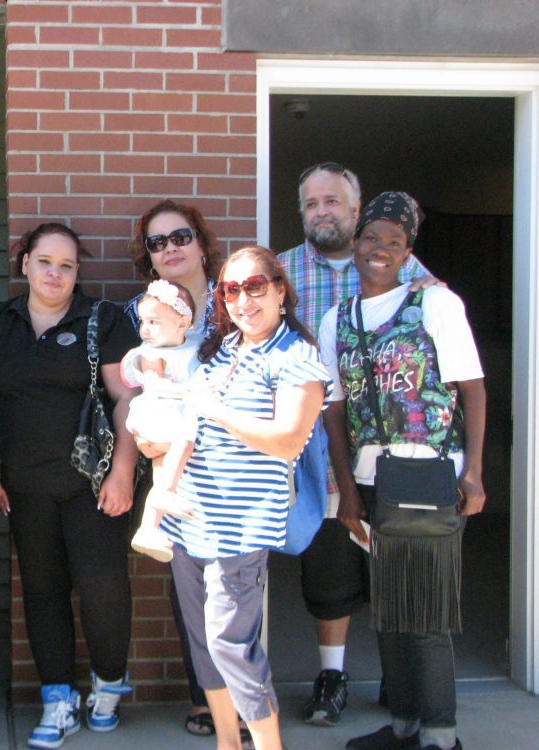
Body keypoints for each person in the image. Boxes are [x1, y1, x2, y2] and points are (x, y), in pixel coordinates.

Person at [0, 223, 139, 749]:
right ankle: (57, 697)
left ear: (77, 271)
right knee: (42, 591)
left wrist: (124, 470)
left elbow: (127, 399)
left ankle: (108, 684)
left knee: (104, 587)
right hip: (24, 484)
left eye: (66, 264)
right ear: (25, 264)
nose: (55, 273)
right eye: (44, 262)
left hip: (94, 482)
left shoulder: (103, 320)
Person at [319, 192, 485, 750]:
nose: (380, 248)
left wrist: (475, 474)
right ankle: (405, 726)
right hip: (370, 480)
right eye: (372, 237)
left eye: (394, 240)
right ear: (356, 242)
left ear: (408, 252)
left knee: (426, 613)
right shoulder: (336, 319)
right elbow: (335, 410)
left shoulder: (436, 305)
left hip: (429, 475)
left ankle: (441, 736)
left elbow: (472, 389)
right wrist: (346, 491)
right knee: (390, 609)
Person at [153, 246, 330, 750]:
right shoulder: (223, 350)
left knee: (232, 646)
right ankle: (228, 744)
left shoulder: (297, 355)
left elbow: (288, 439)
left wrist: (214, 408)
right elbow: (190, 424)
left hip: (242, 527)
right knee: (205, 647)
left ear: (279, 290)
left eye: (255, 286)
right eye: (231, 289)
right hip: (190, 519)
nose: (243, 299)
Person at [278, 163, 435, 726]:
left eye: (334, 202)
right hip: (319, 445)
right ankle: (333, 676)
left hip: (394, 445)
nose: (323, 211)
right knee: (330, 568)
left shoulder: (400, 264)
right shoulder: (284, 272)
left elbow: (436, 333)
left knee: (392, 561)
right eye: (312, 203)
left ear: (356, 208)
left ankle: (400, 674)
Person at [125, 199, 235, 740]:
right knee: (189, 583)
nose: (169, 248)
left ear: (201, 241)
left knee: (235, 585)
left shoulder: (234, 297)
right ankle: (206, 696)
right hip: (175, 466)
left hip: (234, 462)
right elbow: (132, 385)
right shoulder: (142, 310)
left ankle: (242, 696)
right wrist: (141, 437)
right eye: (156, 241)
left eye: (179, 236)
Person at [123, 279, 201, 562]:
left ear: (182, 324)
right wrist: (189, 391)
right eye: (143, 320)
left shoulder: (193, 344)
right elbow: (155, 386)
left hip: (175, 412)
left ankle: (148, 528)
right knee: (185, 438)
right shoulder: (150, 353)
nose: (145, 329)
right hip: (157, 411)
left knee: (165, 465)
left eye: (154, 321)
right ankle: (165, 496)